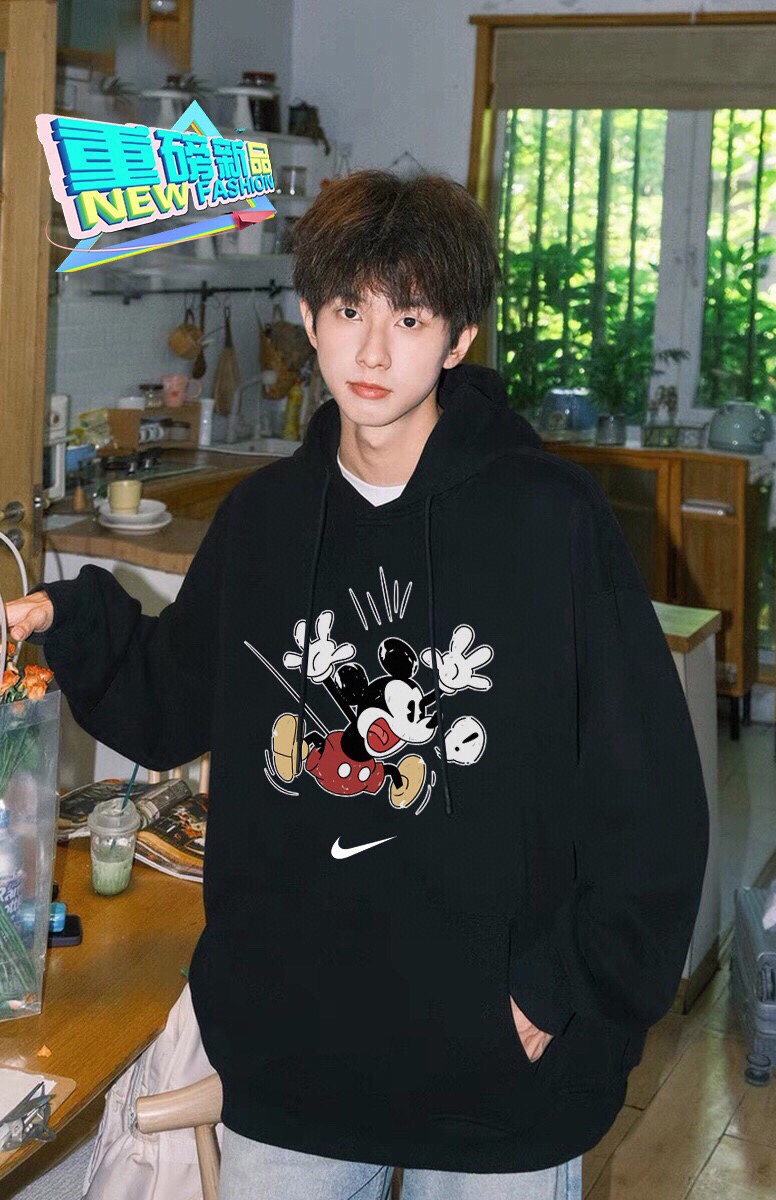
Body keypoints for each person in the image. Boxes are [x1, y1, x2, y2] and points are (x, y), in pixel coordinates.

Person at [6, 170, 709, 1200]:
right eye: (348, 312)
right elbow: (167, 700)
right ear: (309, 318)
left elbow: (652, 800)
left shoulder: (551, 521)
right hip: (297, 1063)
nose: (373, 353)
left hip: (498, 1080)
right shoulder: (265, 521)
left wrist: (560, 986)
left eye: (409, 318)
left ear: (459, 338)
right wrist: (69, 619)